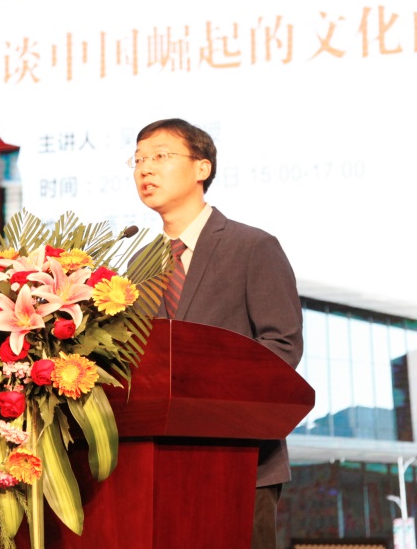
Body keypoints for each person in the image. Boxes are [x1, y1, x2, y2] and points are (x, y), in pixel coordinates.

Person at [130, 118, 303, 549]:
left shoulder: (252, 246)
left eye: (160, 156)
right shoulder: (139, 264)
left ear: (202, 167)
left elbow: (281, 346)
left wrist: (204, 396)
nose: (145, 169)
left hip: (239, 460)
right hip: (157, 465)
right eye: (138, 160)